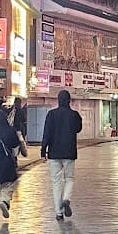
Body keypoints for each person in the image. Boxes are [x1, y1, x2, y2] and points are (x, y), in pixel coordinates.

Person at [40, 87, 83, 221]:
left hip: (54, 153)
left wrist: (43, 150)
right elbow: (78, 129)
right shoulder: (74, 115)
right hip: (69, 151)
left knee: (56, 182)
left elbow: (46, 133)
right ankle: (66, 199)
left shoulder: (51, 114)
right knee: (69, 178)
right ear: (69, 101)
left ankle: (59, 213)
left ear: (58, 101)